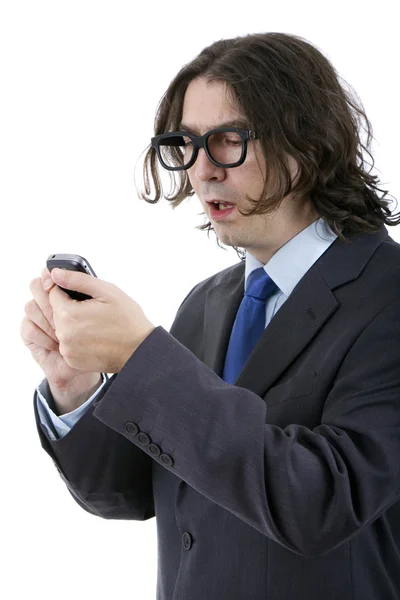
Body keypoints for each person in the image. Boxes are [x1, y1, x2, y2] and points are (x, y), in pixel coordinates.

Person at [21, 31, 400, 600]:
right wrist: (75, 390)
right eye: (187, 144)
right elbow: (137, 493)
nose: (201, 171)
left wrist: (140, 356)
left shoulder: (387, 292)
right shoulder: (207, 302)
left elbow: (322, 501)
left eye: (227, 141)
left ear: (309, 141)